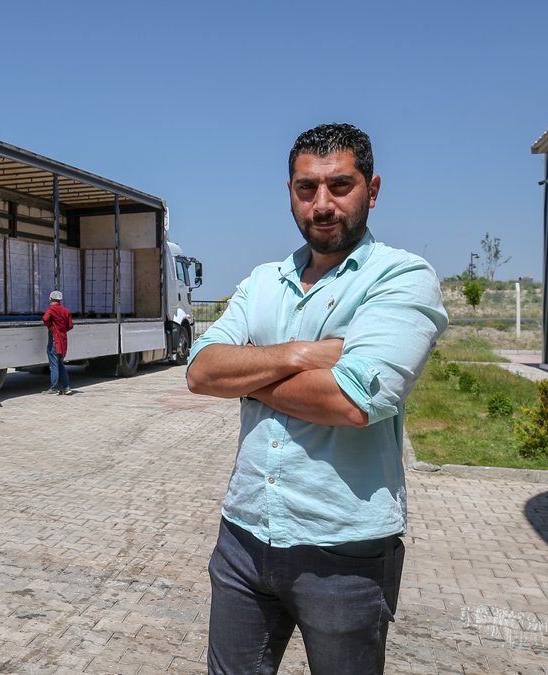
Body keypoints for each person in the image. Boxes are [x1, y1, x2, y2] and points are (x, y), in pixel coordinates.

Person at [186, 123, 448, 674]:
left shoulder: (400, 277)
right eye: (307, 189)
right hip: (243, 536)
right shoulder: (264, 280)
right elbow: (202, 370)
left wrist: (250, 369)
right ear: (290, 193)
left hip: (343, 552)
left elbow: (350, 403)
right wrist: (301, 354)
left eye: (340, 186)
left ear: (372, 190)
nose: (322, 204)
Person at [42, 290, 74, 395]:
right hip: (63, 341)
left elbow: (45, 318)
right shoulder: (66, 311)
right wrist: (61, 330)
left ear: (51, 299)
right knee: (61, 364)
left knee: (54, 365)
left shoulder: (51, 310)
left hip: (55, 341)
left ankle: (54, 388)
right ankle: (66, 387)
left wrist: (51, 327)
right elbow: (70, 326)